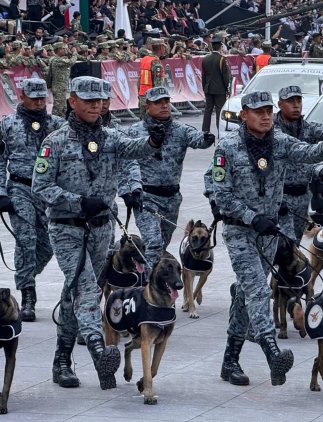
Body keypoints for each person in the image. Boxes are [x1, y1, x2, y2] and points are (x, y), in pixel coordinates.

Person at [32, 76, 164, 390]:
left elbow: (136, 149)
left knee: (74, 293)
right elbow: (41, 186)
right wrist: (77, 201)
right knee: (87, 289)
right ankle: (99, 351)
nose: (96, 106)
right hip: (67, 228)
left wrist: (153, 141)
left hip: (101, 229)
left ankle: (62, 360)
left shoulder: (111, 137)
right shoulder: (55, 141)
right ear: (72, 101)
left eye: (100, 101)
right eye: (89, 100)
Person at [206, 91, 323, 386]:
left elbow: (307, 153)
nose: (265, 116)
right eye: (258, 111)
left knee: (244, 295)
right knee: (257, 291)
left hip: (268, 234)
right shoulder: (226, 148)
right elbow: (222, 196)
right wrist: (253, 217)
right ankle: (272, 353)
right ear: (244, 115)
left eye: (268, 110)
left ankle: (230, 361)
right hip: (241, 231)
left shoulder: (279, 141)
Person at [0, 79, 67, 322]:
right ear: (22, 97)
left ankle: (25, 275)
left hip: (49, 192)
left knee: (49, 244)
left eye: (42, 98)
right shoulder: (7, 124)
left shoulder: (58, 125)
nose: (39, 102)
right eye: (34, 98)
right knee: (26, 240)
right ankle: (28, 295)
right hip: (20, 188)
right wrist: (1, 192)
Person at [127, 87, 214, 268]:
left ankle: (147, 276)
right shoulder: (134, 132)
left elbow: (198, 140)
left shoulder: (180, 130)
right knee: (154, 242)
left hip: (172, 198)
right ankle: (146, 285)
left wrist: (207, 138)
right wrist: (129, 190)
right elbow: (125, 161)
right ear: (147, 106)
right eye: (158, 103)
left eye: (167, 102)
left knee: (162, 244)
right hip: (146, 197)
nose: (164, 106)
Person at [274, 85, 323, 242]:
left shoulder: (307, 128)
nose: (296, 105)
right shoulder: (273, 131)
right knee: (283, 244)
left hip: (302, 196)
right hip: (280, 197)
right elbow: (304, 151)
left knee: (294, 243)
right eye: (290, 101)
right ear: (280, 104)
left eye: (298, 100)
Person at [201, 37, 231, 133]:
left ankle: (205, 131)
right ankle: (219, 131)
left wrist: (204, 88)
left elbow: (203, 76)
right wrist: (227, 88)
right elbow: (225, 76)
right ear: (220, 47)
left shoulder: (205, 59)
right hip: (220, 89)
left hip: (208, 88)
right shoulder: (222, 59)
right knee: (219, 111)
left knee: (207, 111)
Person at [138, 38, 167, 118]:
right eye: (164, 47)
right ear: (161, 48)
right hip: (152, 99)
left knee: (142, 124)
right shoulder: (156, 63)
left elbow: (139, 81)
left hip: (143, 96)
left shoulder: (145, 60)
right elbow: (158, 86)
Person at [48, 42, 78, 117]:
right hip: (59, 87)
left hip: (61, 87)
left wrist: (69, 52)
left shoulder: (58, 59)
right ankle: (56, 124)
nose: (66, 50)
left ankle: (61, 123)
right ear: (60, 49)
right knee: (58, 109)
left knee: (63, 108)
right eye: (64, 49)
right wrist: (74, 53)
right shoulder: (57, 60)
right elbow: (71, 62)